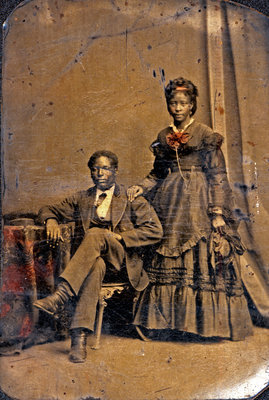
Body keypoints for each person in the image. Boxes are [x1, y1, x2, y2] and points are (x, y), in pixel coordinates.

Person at [128, 77, 253, 341]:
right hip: (169, 204)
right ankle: (167, 323)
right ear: (168, 105)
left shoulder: (206, 135)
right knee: (167, 248)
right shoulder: (163, 136)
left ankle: (205, 325)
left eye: (183, 103)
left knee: (200, 253)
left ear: (192, 105)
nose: (178, 108)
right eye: (173, 103)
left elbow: (218, 175)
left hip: (198, 201)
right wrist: (141, 187)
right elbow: (157, 173)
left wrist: (217, 212)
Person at [33, 150, 163, 362]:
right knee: (95, 266)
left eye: (105, 168)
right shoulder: (82, 198)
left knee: (95, 233)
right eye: (95, 169)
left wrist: (121, 238)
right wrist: (51, 221)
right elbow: (47, 208)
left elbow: (155, 230)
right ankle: (79, 339)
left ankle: (61, 295)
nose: (99, 173)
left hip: (122, 261)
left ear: (115, 171)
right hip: (94, 261)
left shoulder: (130, 197)